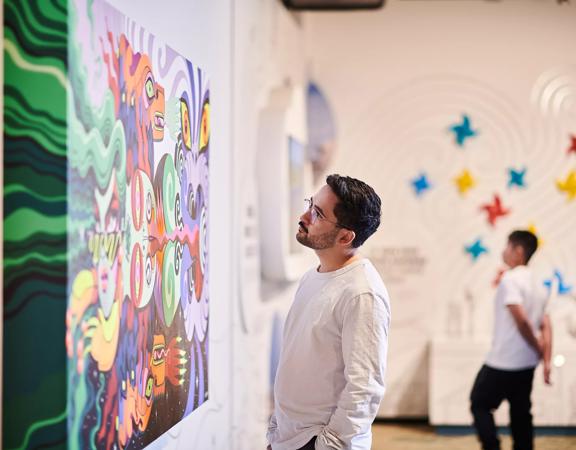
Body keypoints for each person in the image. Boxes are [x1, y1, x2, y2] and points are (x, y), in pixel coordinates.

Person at [266, 174, 391, 450]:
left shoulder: (362, 293)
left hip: (318, 442)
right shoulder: (312, 277)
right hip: (288, 439)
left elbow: (364, 387)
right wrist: (277, 428)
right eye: (311, 204)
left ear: (345, 236)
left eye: (317, 214)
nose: (304, 216)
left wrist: (327, 445)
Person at [470, 230, 552, 450]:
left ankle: (492, 446)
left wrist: (537, 347)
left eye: (507, 246)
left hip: (504, 361)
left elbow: (523, 322)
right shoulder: (538, 283)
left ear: (518, 251)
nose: (503, 251)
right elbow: (545, 323)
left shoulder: (510, 279)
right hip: (526, 363)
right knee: (521, 411)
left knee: (479, 404)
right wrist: (545, 358)